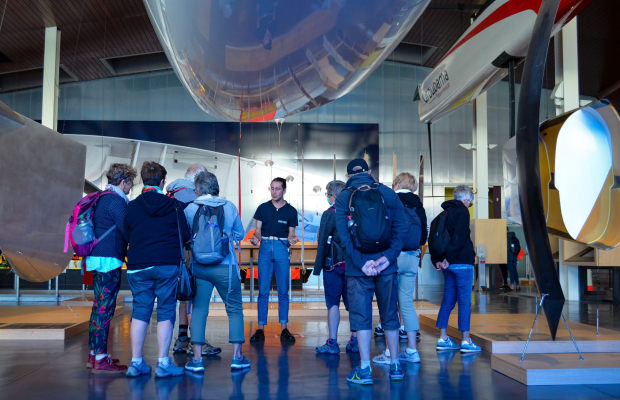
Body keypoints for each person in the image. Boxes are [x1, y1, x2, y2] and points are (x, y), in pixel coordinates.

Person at [335, 159, 407, 384]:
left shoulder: (344, 197)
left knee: (361, 316)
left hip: (358, 269)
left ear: (348, 176)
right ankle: (395, 365)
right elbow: (402, 227)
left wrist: (361, 262)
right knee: (389, 314)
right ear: (370, 172)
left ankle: (364, 370)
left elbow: (343, 238)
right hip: (387, 265)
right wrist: (387, 258)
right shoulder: (386, 192)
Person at [124, 161, 191, 378]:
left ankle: (135, 362)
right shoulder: (173, 206)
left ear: (143, 180)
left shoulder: (131, 206)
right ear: (162, 182)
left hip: (138, 265)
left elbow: (125, 234)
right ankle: (163, 362)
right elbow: (187, 236)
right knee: (165, 309)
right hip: (166, 264)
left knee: (140, 310)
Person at [183, 171, 250, 373]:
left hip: (199, 267)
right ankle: (237, 357)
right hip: (225, 266)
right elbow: (239, 234)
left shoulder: (190, 209)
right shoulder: (228, 206)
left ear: (198, 189)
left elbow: (186, 237)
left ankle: (196, 359)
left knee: (199, 309)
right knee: (234, 309)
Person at [166, 164, 221, 357]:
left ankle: (182, 339)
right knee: (197, 298)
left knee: (184, 295)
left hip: (172, 253)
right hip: (189, 253)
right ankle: (196, 341)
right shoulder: (192, 198)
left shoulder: (172, 193)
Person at [86, 163, 136, 373]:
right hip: (108, 260)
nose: (131, 187)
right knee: (105, 309)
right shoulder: (116, 202)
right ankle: (99, 358)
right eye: (130, 183)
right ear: (123, 181)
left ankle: (95, 354)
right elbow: (127, 228)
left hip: (96, 258)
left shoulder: (101, 198)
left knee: (99, 308)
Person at [372, 172, 426, 365]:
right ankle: (412, 350)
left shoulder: (390, 200)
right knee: (407, 304)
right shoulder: (418, 205)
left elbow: (383, 230)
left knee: (389, 305)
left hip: (392, 257)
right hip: (412, 257)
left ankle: (389, 352)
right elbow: (423, 238)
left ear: (395, 184)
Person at [431, 185, 481, 353]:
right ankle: (466, 340)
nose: (469, 205)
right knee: (465, 301)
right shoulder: (462, 212)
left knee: (448, 300)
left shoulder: (442, 214)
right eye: (470, 202)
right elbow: (459, 238)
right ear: (466, 200)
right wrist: (449, 259)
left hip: (448, 265)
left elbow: (433, 237)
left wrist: (438, 260)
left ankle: (443, 338)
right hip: (462, 264)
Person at [249, 177, 298, 344]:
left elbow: (291, 233)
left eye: (278, 188)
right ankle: (260, 328)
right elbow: (257, 231)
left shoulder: (291, 211)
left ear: (284, 190)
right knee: (263, 290)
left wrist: (292, 238)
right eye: (272, 188)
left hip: (281, 248)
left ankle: (284, 328)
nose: (274, 191)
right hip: (265, 249)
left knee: (283, 290)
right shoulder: (262, 208)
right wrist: (255, 239)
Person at [313, 180, 358, 355]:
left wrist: (317, 267)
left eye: (327, 194)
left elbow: (322, 241)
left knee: (333, 304)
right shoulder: (354, 212)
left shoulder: (330, 213)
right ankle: (355, 340)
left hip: (333, 265)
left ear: (332, 196)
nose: (327, 197)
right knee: (353, 304)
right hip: (353, 266)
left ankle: (332, 342)